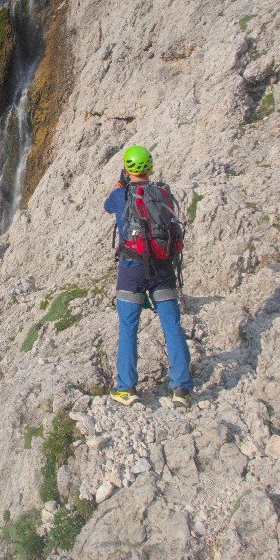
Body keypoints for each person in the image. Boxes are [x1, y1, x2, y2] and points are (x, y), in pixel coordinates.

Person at [104, 145, 193, 408]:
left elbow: (107, 204)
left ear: (127, 168)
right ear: (150, 167)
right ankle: (181, 388)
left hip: (132, 268)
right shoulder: (163, 193)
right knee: (172, 326)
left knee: (129, 327)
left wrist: (121, 184)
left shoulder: (122, 196)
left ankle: (126, 388)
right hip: (163, 267)